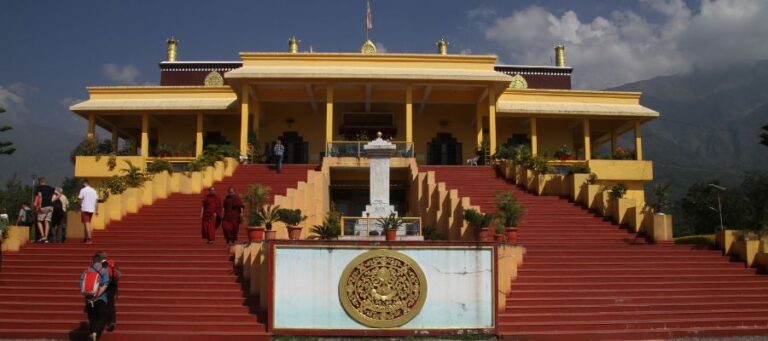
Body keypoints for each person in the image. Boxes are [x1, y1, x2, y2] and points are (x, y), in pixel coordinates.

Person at [80, 252, 110, 340]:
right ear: (101, 261)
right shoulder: (103, 271)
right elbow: (105, 284)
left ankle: (93, 334)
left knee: (92, 318)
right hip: (100, 299)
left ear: (92, 261)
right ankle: (95, 333)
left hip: (88, 298)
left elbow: (81, 284)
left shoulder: (85, 271)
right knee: (102, 317)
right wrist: (97, 295)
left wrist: (88, 295)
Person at [96, 251, 120, 332]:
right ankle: (112, 321)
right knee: (111, 303)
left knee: (103, 302)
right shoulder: (112, 263)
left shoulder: (100, 264)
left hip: (105, 284)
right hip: (113, 284)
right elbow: (118, 274)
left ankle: (104, 320)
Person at [34, 177, 55, 243]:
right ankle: (46, 238)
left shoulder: (39, 188)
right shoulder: (50, 188)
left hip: (43, 206)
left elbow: (40, 196)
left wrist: (39, 205)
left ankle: (42, 236)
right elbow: (59, 194)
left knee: (39, 221)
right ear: (45, 181)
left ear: (39, 182)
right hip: (50, 206)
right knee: (47, 221)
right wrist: (52, 200)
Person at [78, 179, 99, 244]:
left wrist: (78, 206)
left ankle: (89, 238)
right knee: (86, 223)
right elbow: (96, 201)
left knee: (87, 224)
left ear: (84, 183)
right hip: (91, 209)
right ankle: (85, 238)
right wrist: (96, 210)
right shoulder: (94, 191)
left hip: (85, 209)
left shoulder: (83, 190)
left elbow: (80, 199)